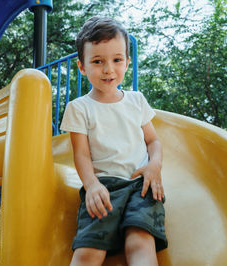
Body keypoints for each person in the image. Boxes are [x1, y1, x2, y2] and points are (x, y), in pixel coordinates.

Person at [60, 16, 168, 266]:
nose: (108, 69)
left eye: (117, 60)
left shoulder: (136, 100)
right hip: (103, 187)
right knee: (89, 250)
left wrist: (155, 165)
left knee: (140, 241)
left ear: (127, 63)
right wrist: (92, 185)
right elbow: (81, 155)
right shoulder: (79, 108)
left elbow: (153, 142)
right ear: (82, 66)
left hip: (141, 185)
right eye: (98, 61)